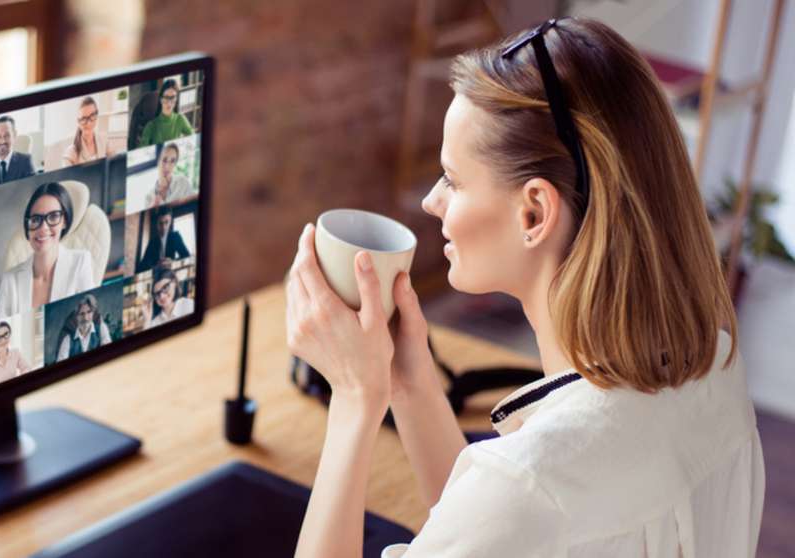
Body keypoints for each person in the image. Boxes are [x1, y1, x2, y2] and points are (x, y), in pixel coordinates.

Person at [287, 18, 761, 557]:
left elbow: (516, 510)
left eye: (454, 180)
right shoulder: (716, 368)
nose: (432, 202)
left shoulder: (530, 487)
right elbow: (503, 532)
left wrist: (354, 399)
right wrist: (410, 381)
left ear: (533, 212)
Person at [0, 183, 96, 318]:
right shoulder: (10, 280)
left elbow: (89, 319)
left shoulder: (80, 262)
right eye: (36, 219)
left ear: (64, 221)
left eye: (53, 217)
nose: (43, 228)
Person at [0, 116, 36, 189]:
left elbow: (34, 191)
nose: (2, 141)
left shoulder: (26, 161)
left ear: (14, 136)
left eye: (7, 136)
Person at [61, 97, 118, 167]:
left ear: (96, 115)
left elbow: (116, 163)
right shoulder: (71, 152)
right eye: (83, 119)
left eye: (92, 116)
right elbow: (66, 175)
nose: (89, 123)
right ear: (78, 121)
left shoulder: (104, 140)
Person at [137, 79, 193, 146]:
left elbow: (193, 139)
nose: (169, 103)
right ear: (161, 99)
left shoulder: (181, 119)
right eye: (166, 97)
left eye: (172, 97)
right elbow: (141, 151)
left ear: (176, 100)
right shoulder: (151, 126)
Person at [57, 294, 112, 359]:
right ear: (77, 316)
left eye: (89, 312)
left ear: (93, 313)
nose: (85, 318)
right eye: (82, 314)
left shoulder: (101, 328)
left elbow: (108, 354)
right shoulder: (67, 339)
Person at [136, 205, 189, 272]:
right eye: (160, 223)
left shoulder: (175, 237)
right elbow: (142, 265)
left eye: (166, 222)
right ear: (156, 224)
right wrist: (155, 266)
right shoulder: (152, 242)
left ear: (170, 222)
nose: (163, 227)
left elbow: (186, 256)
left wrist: (173, 262)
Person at [142, 143, 194, 208]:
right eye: (164, 160)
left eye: (172, 161)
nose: (167, 166)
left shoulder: (183, 183)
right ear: (158, 162)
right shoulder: (149, 198)